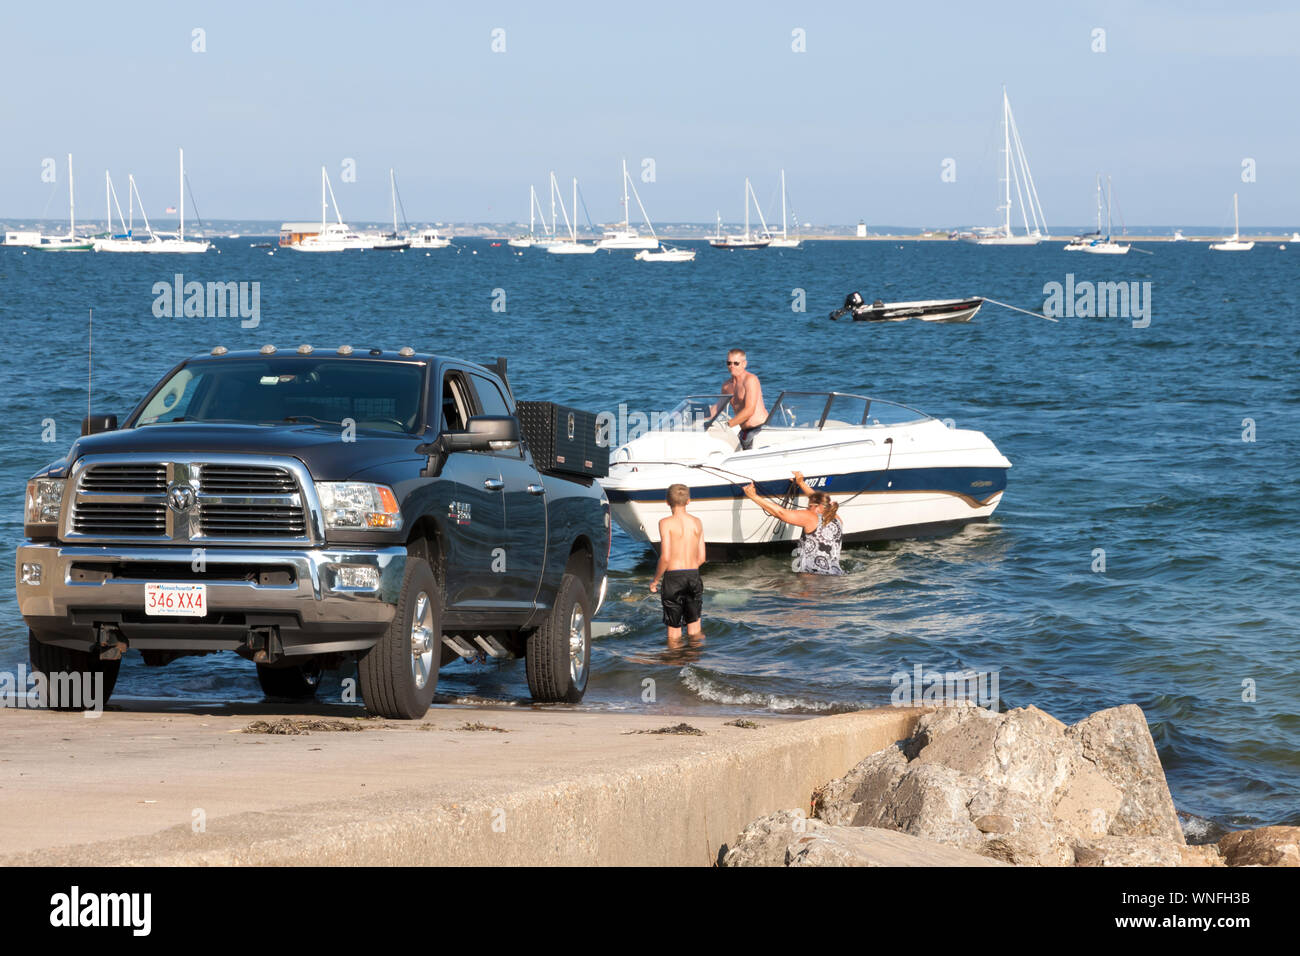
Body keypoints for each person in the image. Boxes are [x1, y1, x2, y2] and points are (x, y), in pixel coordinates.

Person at [740, 471, 844, 575]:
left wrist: (753, 496)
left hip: (813, 579)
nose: (807, 508)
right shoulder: (837, 518)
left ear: (817, 506)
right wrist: (801, 483)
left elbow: (781, 513)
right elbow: (817, 499)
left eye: (809, 506)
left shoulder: (811, 517)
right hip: (836, 575)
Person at [649, 483, 706, 640]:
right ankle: (695, 661)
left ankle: (675, 662)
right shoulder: (697, 522)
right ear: (688, 501)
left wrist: (655, 581)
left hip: (673, 579)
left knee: (674, 631)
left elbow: (665, 557)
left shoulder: (665, 523)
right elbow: (702, 558)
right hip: (693, 576)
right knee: (694, 628)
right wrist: (689, 569)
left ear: (667, 502)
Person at [717, 349, 767, 450]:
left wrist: (727, 425)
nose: (732, 366)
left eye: (736, 363)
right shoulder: (726, 386)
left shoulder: (750, 380)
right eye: (729, 363)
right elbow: (718, 408)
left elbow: (749, 410)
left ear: (744, 364)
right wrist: (700, 417)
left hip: (760, 430)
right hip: (744, 432)